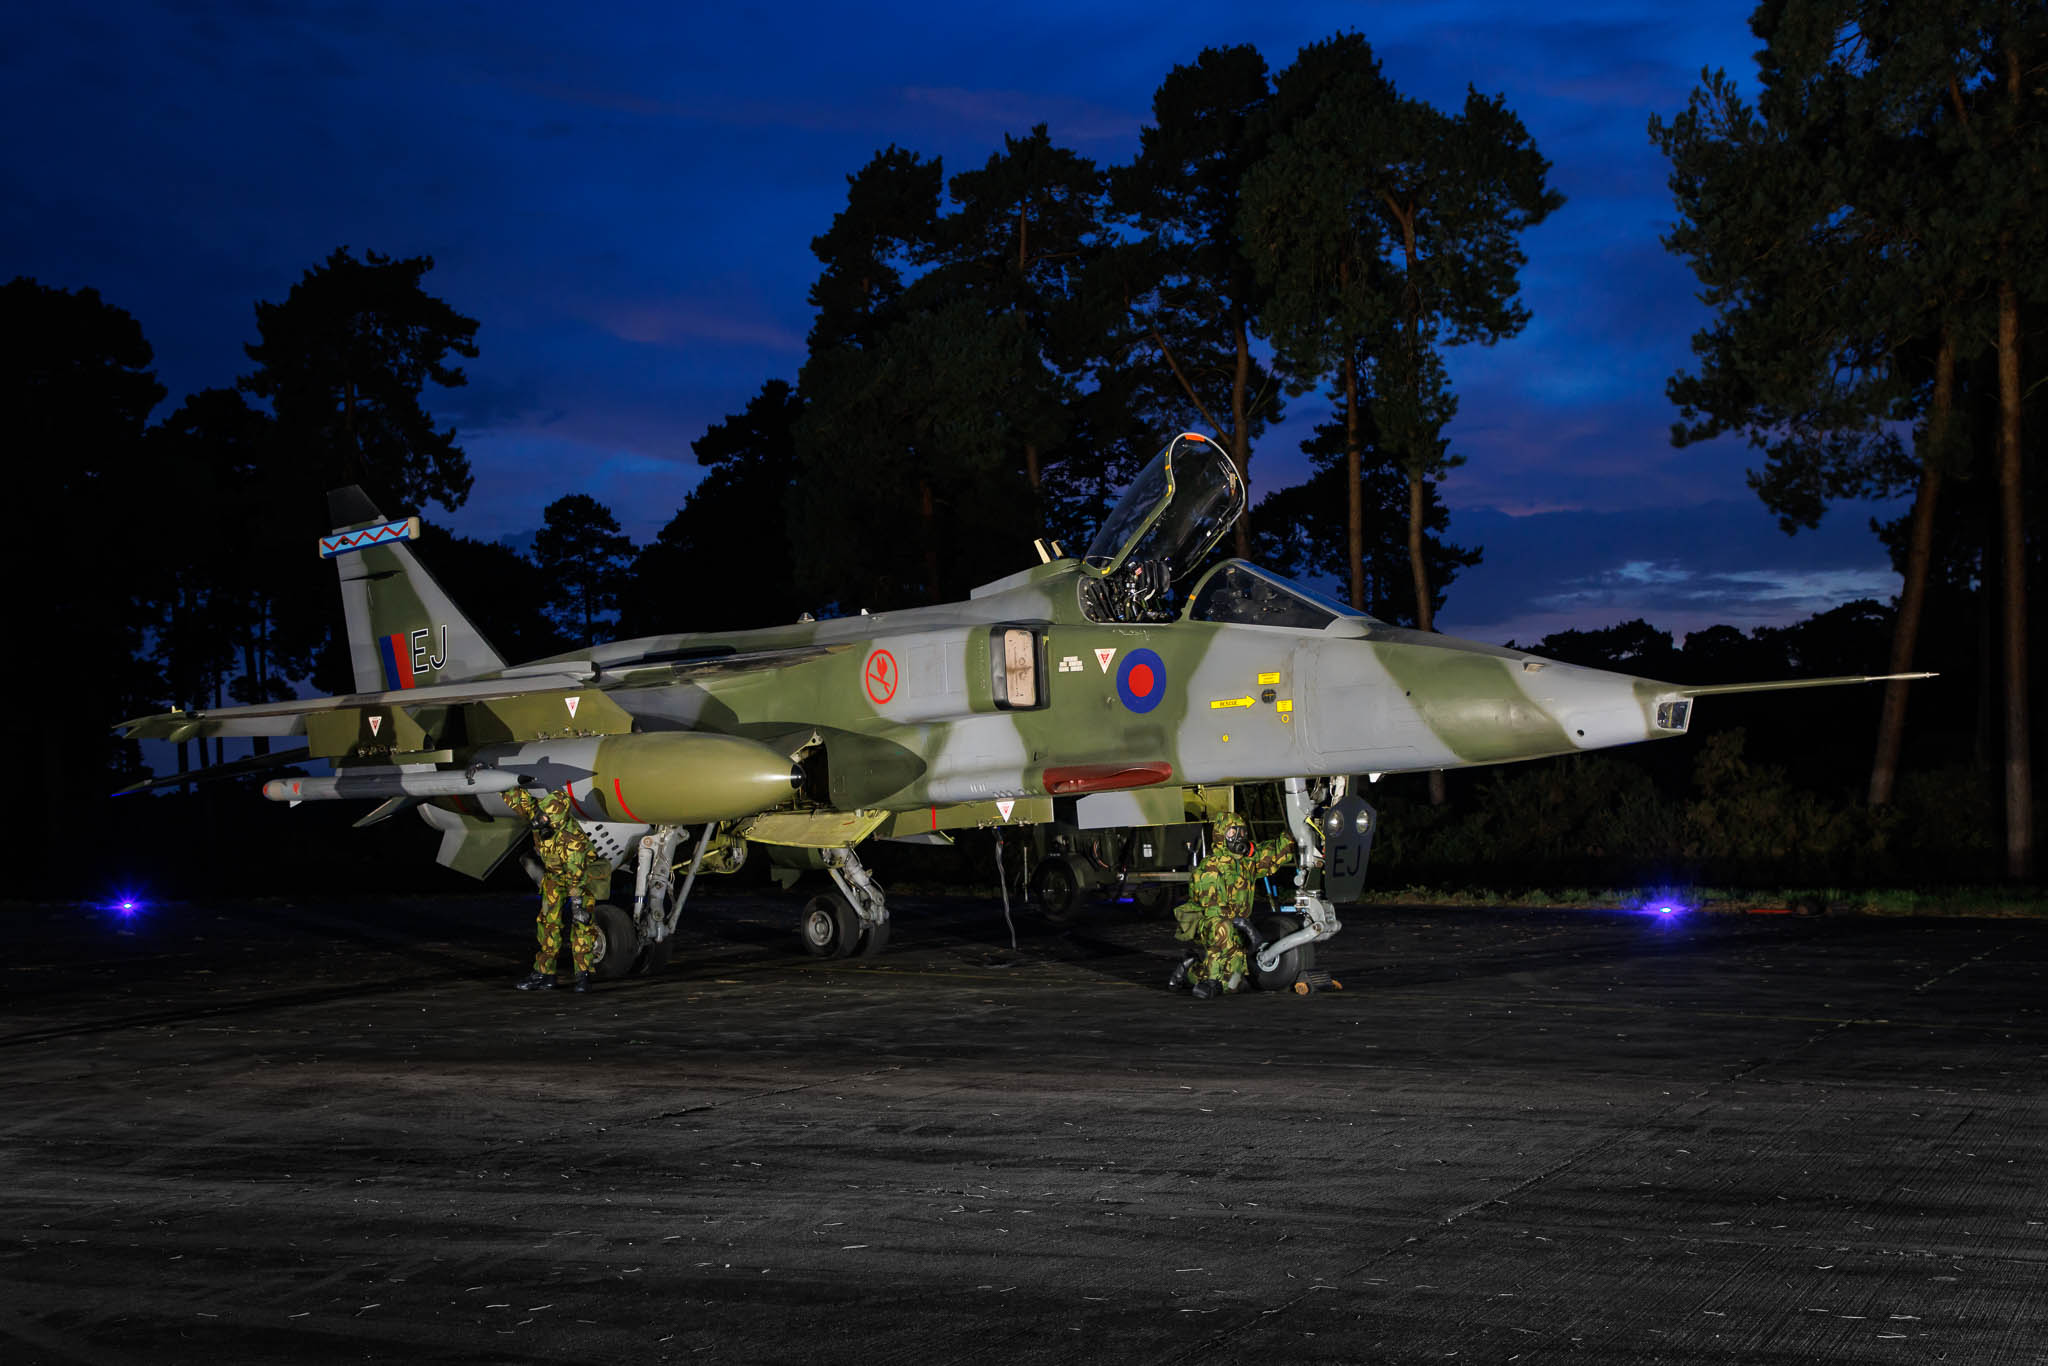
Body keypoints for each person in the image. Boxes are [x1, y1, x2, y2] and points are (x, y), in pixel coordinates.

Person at [1170, 811, 1295, 999]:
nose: (1238, 837)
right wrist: (1247, 927)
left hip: (1238, 925)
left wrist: (1294, 834)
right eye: (1231, 833)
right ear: (1220, 836)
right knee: (1222, 929)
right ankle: (1210, 982)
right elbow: (1213, 909)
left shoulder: (1246, 862)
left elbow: (1273, 854)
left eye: (1242, 832)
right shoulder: (1210, 867)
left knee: (1232, 984)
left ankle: (1191, 968)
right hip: (1209, 923)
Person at [505, 785, 599, 993]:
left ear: (558, 820)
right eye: (542, 816)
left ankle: (582, 977)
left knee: (582, 924)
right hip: (554, 876)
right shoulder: (539, 814)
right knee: (548, 924)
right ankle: (546, 975)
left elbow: (576, 879)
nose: (540, 821)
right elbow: (520, 800)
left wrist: (577, 907)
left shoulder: (573, 841)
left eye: (547, 819)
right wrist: (496, 780)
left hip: (579, 879)